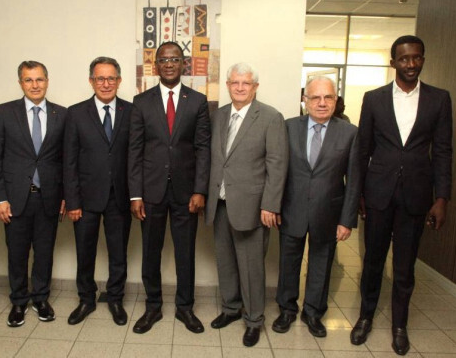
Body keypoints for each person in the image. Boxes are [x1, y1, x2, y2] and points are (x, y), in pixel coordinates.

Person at [351, 35, 452, 356]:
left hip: (416, 196)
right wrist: (359, 194)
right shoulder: (374, 99)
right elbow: (362, 149)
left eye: (417, 58)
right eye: (405, 59)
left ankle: (399, 325)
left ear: (423, 59)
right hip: (378, 194)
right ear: (393, 62)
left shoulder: (439, 99)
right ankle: (365, 317)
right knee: (373, 261)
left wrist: (441, 198)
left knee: (406, 267)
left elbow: (444, 152)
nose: (411, 64)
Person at [128, 41, 211, 334]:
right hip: (150, 193)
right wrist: (135, 194)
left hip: (186, 194)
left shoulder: (198, 101)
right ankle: (153, 308)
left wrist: (200, 190)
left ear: (183, 64)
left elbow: (203, 149)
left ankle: (185, 308)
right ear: (156, 65)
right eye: (164, 59)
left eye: (175, 59)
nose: (170, 64)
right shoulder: (141, 101)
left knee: (185, 252)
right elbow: (135, 151)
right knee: (151, 252)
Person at [205, 62, 288, 347]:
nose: (240, 87)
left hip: (254, 208)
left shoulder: (269, 117)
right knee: (226, 261)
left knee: (251, 267)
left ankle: (253, 320)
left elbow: (277, 166)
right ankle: (230, 308)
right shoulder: (217, 116)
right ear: (228, 85)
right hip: (220, 204)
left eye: (246, 83)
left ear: (255, 87)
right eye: (235, 83)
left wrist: (270, 205)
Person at [273, 76, 360, 338]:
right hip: (291, 209)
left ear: (336, 100)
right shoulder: (287, 127)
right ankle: (287, 309)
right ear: (305, 100)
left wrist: (346, 220)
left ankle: (313, 312)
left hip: (329, 213)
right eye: (315, 97)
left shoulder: (350, 133)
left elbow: (354, 180)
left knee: (322, 264)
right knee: (289, 262)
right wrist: (273, 206)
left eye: (328, 97)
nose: (322, 103)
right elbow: (277, 171)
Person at [0, 61, 67, 328]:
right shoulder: (4, 112)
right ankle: (19, 301)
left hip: (49, 198)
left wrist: (66, 195)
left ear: (47, 81)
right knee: (17, 254)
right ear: (20, 83)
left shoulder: (61, 114)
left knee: (45, 252)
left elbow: (66, 159)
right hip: (14, 199)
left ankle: (41, 299)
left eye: (39, 79)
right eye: (28, 80)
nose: (35, 85)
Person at [63, 57, 132, 326]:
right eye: (100, 78)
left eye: (111, 78)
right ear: (91, 81)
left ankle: (115, 298)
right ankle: (86, 300)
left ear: (119, 80)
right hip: (86, 198)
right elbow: (69, 160)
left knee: (118, 253)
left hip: (120, 197)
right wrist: (72, 200)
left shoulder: (131, 111)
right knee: (85, 251)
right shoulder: (76, 113)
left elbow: (135, 155)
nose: (106, 83)